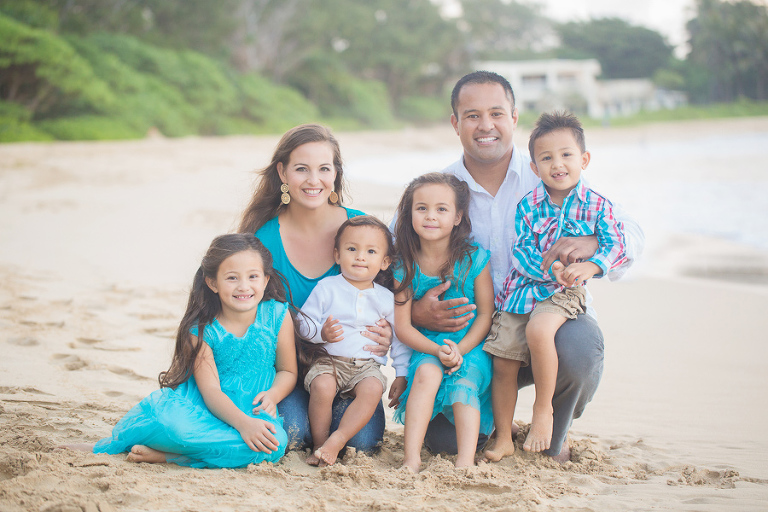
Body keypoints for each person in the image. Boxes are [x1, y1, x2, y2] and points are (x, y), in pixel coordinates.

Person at [406, 71, 644, 462]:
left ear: (514, 117)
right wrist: (414, 311)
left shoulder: (550, 166)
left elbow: (630, 232)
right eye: (472, 115)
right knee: (447, 443)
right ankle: (500, 427)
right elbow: (393, 257)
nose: (486, 126)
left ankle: (553, 424)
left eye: (497, 113)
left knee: (581, 349)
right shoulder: (440, 190)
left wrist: (593, 244)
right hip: (469, 333)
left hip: (549, 315)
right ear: (455, 123)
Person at [238, 124, 392, 454]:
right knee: (294, 434)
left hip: (354, 365)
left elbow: (393, 296)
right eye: (301, 169)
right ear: (282, 172)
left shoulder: (361, 231)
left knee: (362, 443)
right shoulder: (262, 239)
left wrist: (392, 333)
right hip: (288, 369)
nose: (313, 180)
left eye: (324, 169)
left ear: (336, 174)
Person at [483, 111, 628, 461]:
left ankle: (543, 410)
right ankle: (503, 436)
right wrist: (549, 270)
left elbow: (617, 245)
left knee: (540, 328)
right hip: (522, 291)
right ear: (534, 167)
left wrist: (591, 265)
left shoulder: (597, 205)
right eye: (546, 158)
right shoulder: (528, 205)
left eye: (566, 155)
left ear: (584, 159)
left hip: (563, 292)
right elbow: (522, 250)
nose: (557, 164)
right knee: (503, 359)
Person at [91, 234, 297, 468]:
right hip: (203, 405)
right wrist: (243, 425)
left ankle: (174, 457)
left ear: (266, 280)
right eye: (232, 278)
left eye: (253, 276)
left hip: (253, 406)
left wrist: (273, 395)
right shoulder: (201, 329)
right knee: (172, 426)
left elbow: (287, 370)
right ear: (212, 283)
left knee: (275, 444)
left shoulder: (278, 316)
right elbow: (210, 392)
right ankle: (187, 451)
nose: (244, 286)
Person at [391, 173, 495, 472]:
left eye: (441, 209)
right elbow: (403, 327)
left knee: (463, 381)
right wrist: (437, 351)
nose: (430, 216)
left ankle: (465, 461)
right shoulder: (405, 264)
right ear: (409, 214)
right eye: (421, 208)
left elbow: (486, 313)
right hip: (427, 344)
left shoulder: (474, 259)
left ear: (458, 216)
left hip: (469, 344)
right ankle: (411, 458)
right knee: (425, 375)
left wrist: (459, 349)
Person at [299, 216, 411, 466]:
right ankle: (319, 444)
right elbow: (302, 323)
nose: (360, 257)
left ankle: (336, 440)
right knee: (323, 387)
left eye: (370, 251)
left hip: (366, 366)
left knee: (372, 389)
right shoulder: (327, 288)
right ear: (337, 256)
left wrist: (401, 373)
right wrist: (321, 333)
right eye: (352, 249)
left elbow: (400, 339)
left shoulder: (385, 298)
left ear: (384, 262)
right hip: (328, 361)